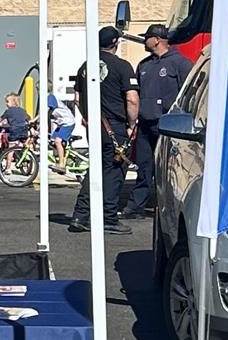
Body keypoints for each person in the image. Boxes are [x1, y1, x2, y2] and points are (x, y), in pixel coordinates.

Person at [68, 26, 137, 234]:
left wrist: (88, 117)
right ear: (115, 43)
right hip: (115, 126)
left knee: (95, 169)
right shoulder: (122, 66)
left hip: (95, 125)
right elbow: (132, 99)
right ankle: (108, 217)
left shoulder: (85, 66)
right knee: (114, 172)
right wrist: (132, 125)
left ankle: (80, 215)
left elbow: (77, 99)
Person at [125, 24, 191, 218]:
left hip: (169, 126)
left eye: (147, 37)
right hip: (146, 125)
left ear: (157, 40)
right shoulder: (144, 65)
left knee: (170, 170)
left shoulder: (181, 63)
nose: (144, 41)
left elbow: (189, 95)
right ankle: (136, 206)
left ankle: (170, 209)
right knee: (144, 167)